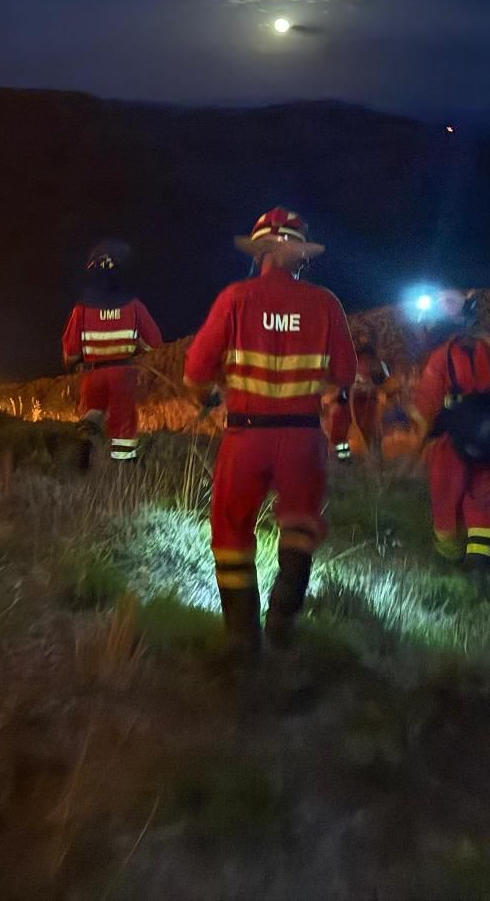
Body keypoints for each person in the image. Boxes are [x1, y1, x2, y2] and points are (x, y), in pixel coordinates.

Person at [184, 208, 356, 652]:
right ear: (299, 256)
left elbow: (196, 370)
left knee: (231, 527)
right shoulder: (326, 303)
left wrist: (211, 395)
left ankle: (242, 637)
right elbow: (346, 372)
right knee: (300, 522)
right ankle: (283, 615)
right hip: (302, 439)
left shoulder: (235, 298)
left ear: (260, 252)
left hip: (245, 438)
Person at [412, 291, 490, 577]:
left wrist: (421, 429)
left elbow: (426, 403)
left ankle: (449, 563)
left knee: (446, 497)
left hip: (451, 440)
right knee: (486, 497)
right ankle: (482, 568)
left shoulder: (440, 357)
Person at [61, 240, 163, 466]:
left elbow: (70, 352)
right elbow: (154, 343)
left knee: (92, 413)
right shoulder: (134, 305)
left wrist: (75, 362)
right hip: (124, 375)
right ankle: (123, 472)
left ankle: (86, 444)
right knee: (123, 425)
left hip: (93, 375)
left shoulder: (81, 308)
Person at [326, 342, 390, 464]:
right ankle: (344, 460)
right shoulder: (349, 376)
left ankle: (375, 460)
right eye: (362, 361)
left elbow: (386, 385)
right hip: (349, 410)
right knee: (340, 429)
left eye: (368, 361)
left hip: (368, 411)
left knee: (372, 434)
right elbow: (343, 392)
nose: (365, 365)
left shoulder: (377, 374)